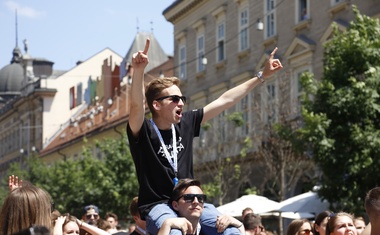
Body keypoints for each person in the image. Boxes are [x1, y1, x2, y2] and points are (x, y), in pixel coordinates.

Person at [127, 38, 282, 235]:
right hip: (160, 206)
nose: (181, 103)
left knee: (230, 230)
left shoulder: (186, 124)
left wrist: (261, 76)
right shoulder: (143, 131)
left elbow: (225, 100)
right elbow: (135, 107)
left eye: (182, 98)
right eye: (174, 99)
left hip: (192, 200)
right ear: (156, 105)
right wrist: (139, 70)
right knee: (175, 232)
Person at [158, 178, 244, 235]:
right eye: (189, 198)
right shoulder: (169, 231)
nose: (196, 202)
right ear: (175, 205)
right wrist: (167, 224)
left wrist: (239, 225)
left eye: (200, 198)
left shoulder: (211, 231)